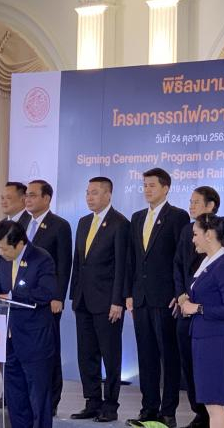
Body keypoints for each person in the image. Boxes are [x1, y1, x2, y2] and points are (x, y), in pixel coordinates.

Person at [0, 220, 56, 428]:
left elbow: (46, 292)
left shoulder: (41, 259)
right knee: (15, 399)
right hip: (7, 339)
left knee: (38, 400)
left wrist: (12, 296)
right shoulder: (4, 259)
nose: (1, 252)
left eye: (5, 248)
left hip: (34, 340)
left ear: (20, 243)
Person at [126, 167, 189, 428]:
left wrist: (178, 292)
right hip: (140, 298)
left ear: (166, 188)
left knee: (169, 356)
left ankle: (168, 411)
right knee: (146, 356)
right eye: (145, 185)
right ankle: (148, 409)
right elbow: (132, 258)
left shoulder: (178, 216)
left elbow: (181, 258)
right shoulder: (137, 217)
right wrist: (128, 293)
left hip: (166, 299)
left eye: (152, 185)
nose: (147, 190)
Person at [173, 186, 224, 428]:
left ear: (209, 235)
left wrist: (197, 308)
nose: (193, 239)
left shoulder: (223, 265)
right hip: (203, 337)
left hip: (214, 341)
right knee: (213, 404)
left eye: (196, 234)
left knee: (216, 405)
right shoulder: (210, 263)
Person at [69, 177, 129, 422]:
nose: (89, 197)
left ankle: (110, 405)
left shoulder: (120, 223)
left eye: (94, 192)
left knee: (110, 356)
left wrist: (118, 301)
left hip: (107, 302)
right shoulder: (84, 222)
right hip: (83, 299)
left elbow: (122, 266)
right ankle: (92, 401)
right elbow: (78, 262)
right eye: (87, 192)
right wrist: (74, 294)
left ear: (108, 194)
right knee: (86, 354)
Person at [24, 179, 72, 416]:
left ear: (46, 198)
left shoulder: (59, 225)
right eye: (26, 195)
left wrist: (57, 296)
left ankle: (51, 400)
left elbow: (64, 264)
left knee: (49, 351)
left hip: (47, 300)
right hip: (22, 299)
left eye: (33, 195)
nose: (28, 199)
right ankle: (28, 397)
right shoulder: (21, 223)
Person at [0, 181, 31, 410]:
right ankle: (8, 394)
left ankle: (27, 398)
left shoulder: (30, 223)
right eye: (2, 198)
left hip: (27, 303)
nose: (4, 201)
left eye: (8, 197)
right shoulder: (1, 225)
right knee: (5, 352)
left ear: (23, 199)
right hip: (4, 300)